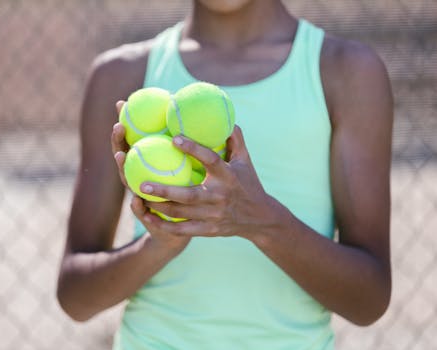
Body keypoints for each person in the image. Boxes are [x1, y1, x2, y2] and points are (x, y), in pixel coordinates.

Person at [56, 0, 393, 348]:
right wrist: (157, 245)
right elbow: (75, 297)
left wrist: (263, 222)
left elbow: (368, 301)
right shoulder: (120, 74)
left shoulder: (347, 72)